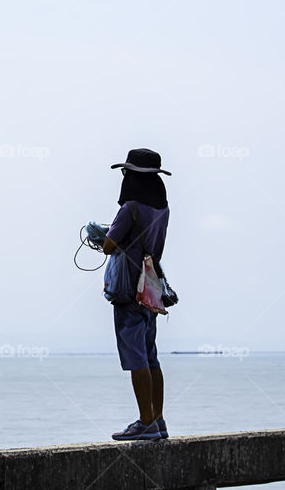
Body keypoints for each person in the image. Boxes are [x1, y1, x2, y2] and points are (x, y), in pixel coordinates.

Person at [102, 148, 171, 441]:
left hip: (128, 290)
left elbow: (108, 245)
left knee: (136, 357)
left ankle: (145, 423)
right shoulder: (162, 210)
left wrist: (101, 235)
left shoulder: (129, 208)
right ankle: (158, 419)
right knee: (151, 356)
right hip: (150, 288)